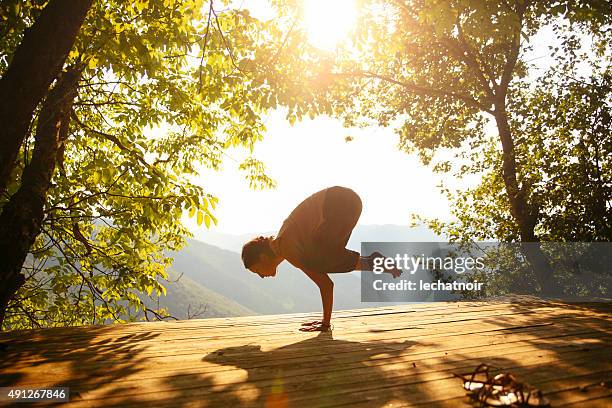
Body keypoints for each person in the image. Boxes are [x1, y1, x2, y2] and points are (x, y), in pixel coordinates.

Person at [241, 186, 402, 332]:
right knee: (324, 257)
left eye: (257, 270)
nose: (261, 276)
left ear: (262, 258)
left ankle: (375, 262)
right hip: (346, 201)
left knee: (317, 261)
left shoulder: (287, 248)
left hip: (338, 203)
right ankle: (376, 262)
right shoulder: (285, 243)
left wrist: (325, 324)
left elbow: (326, 285)